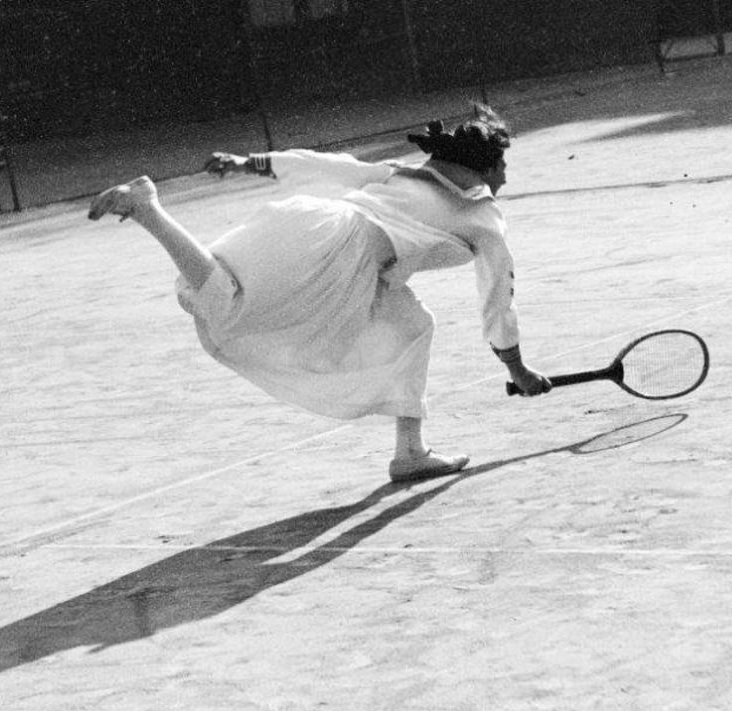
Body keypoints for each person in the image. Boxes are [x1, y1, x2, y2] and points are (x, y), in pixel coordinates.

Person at [88, 104, 551, 482]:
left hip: (321, 229)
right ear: (486, 167)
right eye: (504, 164)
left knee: (415, 325)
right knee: (224, 308)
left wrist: (251, 162)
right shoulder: (484, 218)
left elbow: (329, 167)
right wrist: (519, 369)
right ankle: (148, 208)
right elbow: (498, 296)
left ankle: (410, 453)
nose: (506, 175)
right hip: (338, 253)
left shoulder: (402, 175)